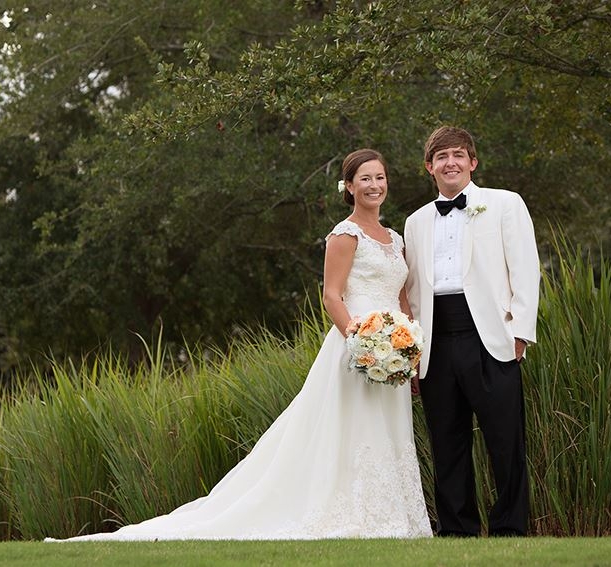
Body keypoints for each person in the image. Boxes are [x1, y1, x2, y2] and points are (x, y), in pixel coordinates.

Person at [46, 149, 432, 541]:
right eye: (365, 179)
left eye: (380, 178)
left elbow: (401, 299)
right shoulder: (344, 235)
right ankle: (353, 516)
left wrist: (408, 353)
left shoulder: (395, 239)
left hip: (393, 352)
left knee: (388, 430)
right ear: (349, 187)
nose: (374, 185)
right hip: (355, 347)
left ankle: (392, 518)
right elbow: (332, 296)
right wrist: (359, 340)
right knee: (353, 429)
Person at [404, 126, 540, 537]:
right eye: (441, 157)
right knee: (448, 442)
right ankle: (457, 529)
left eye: (458, 155)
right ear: (430, 167)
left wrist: (520, 333)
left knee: (505, 440)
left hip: (492, 337)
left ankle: (510, 528)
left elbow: (525, 268)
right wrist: (413, 352)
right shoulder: (415, 222)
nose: (451, 163)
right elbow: (411, 291)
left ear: (473, 162)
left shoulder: (504, 204)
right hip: (436, 342)